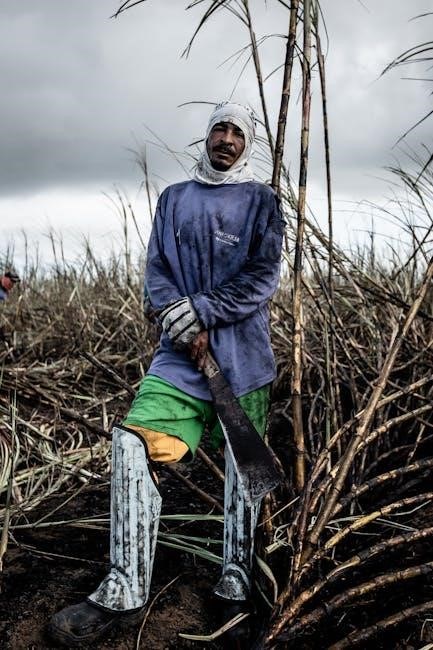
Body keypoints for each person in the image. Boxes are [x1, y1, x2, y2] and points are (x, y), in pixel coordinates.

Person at [48, 101, 284, 646]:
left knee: (243, 471)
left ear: (248, 144)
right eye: (219, 129)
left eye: (237, 132)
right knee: (132, 444)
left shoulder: (262, 200)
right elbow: (157, 269)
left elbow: (262, 278)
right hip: (179, 357)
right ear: (207, 136)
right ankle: (125, 586)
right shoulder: (174, 198)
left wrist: (201, 311)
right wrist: (177, 318)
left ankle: (236, 578)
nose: (227, 139)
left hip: (243, 360)